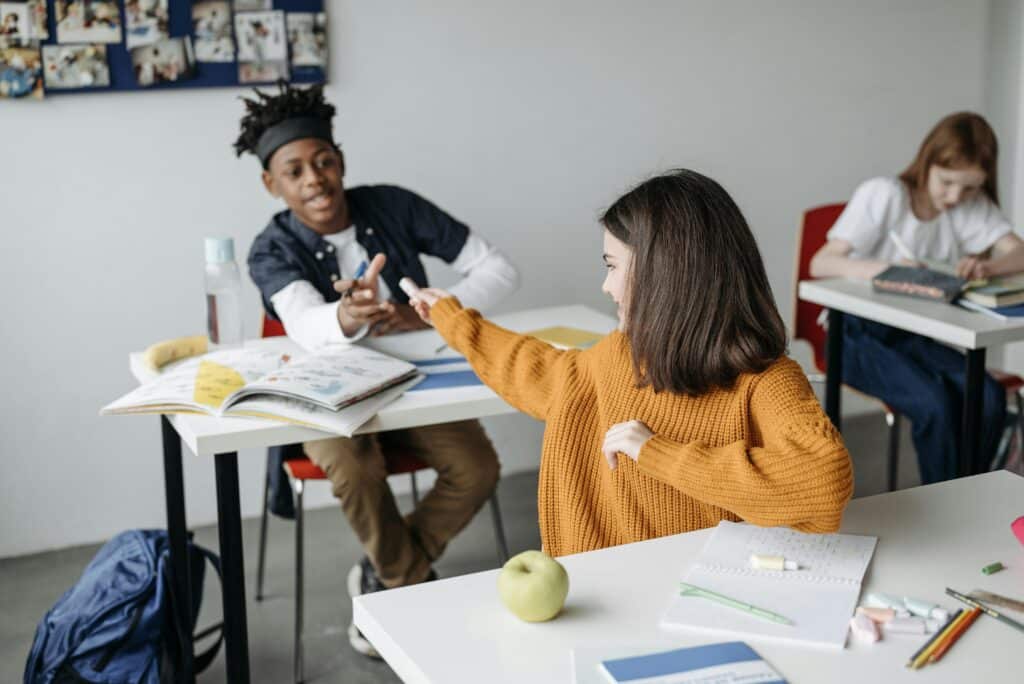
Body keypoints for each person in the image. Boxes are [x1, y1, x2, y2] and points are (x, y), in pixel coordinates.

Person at [407, 169, 854, 557]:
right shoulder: (619, 357)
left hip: (711, 596)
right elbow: (534, 369)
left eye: (613, 266)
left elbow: (824, 481)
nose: (606, 286)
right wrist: (451, 317)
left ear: (667, 274)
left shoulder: (767, 381)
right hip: (609, 590)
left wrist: (656, 452)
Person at [235, 82, 520, 657]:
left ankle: (383, 571)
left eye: (324, 161)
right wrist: (342, 315)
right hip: (324, 400)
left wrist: (433, 316)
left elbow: (499, 269)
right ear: (273, 183)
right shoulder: (269, 249)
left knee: (478, 467)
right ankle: (406, 586)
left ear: (340, 161)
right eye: (295, 171)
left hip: (412, 385)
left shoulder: (393, 204)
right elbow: (303, 323)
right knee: (352, 465)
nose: (314, 179)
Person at [810, 112, 1024, 483]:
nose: (956, 197)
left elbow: (1019, 253)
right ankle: (948, 504)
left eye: (971, 187)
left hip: (913, 336)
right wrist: (889, 271)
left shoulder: (968, 205)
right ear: (928, 162)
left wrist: (989, 267)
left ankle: (966, 495)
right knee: (936, 406)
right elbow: (821, 262)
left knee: (988, 398)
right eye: (948, 182)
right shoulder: (887, 194)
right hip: (855, 338)